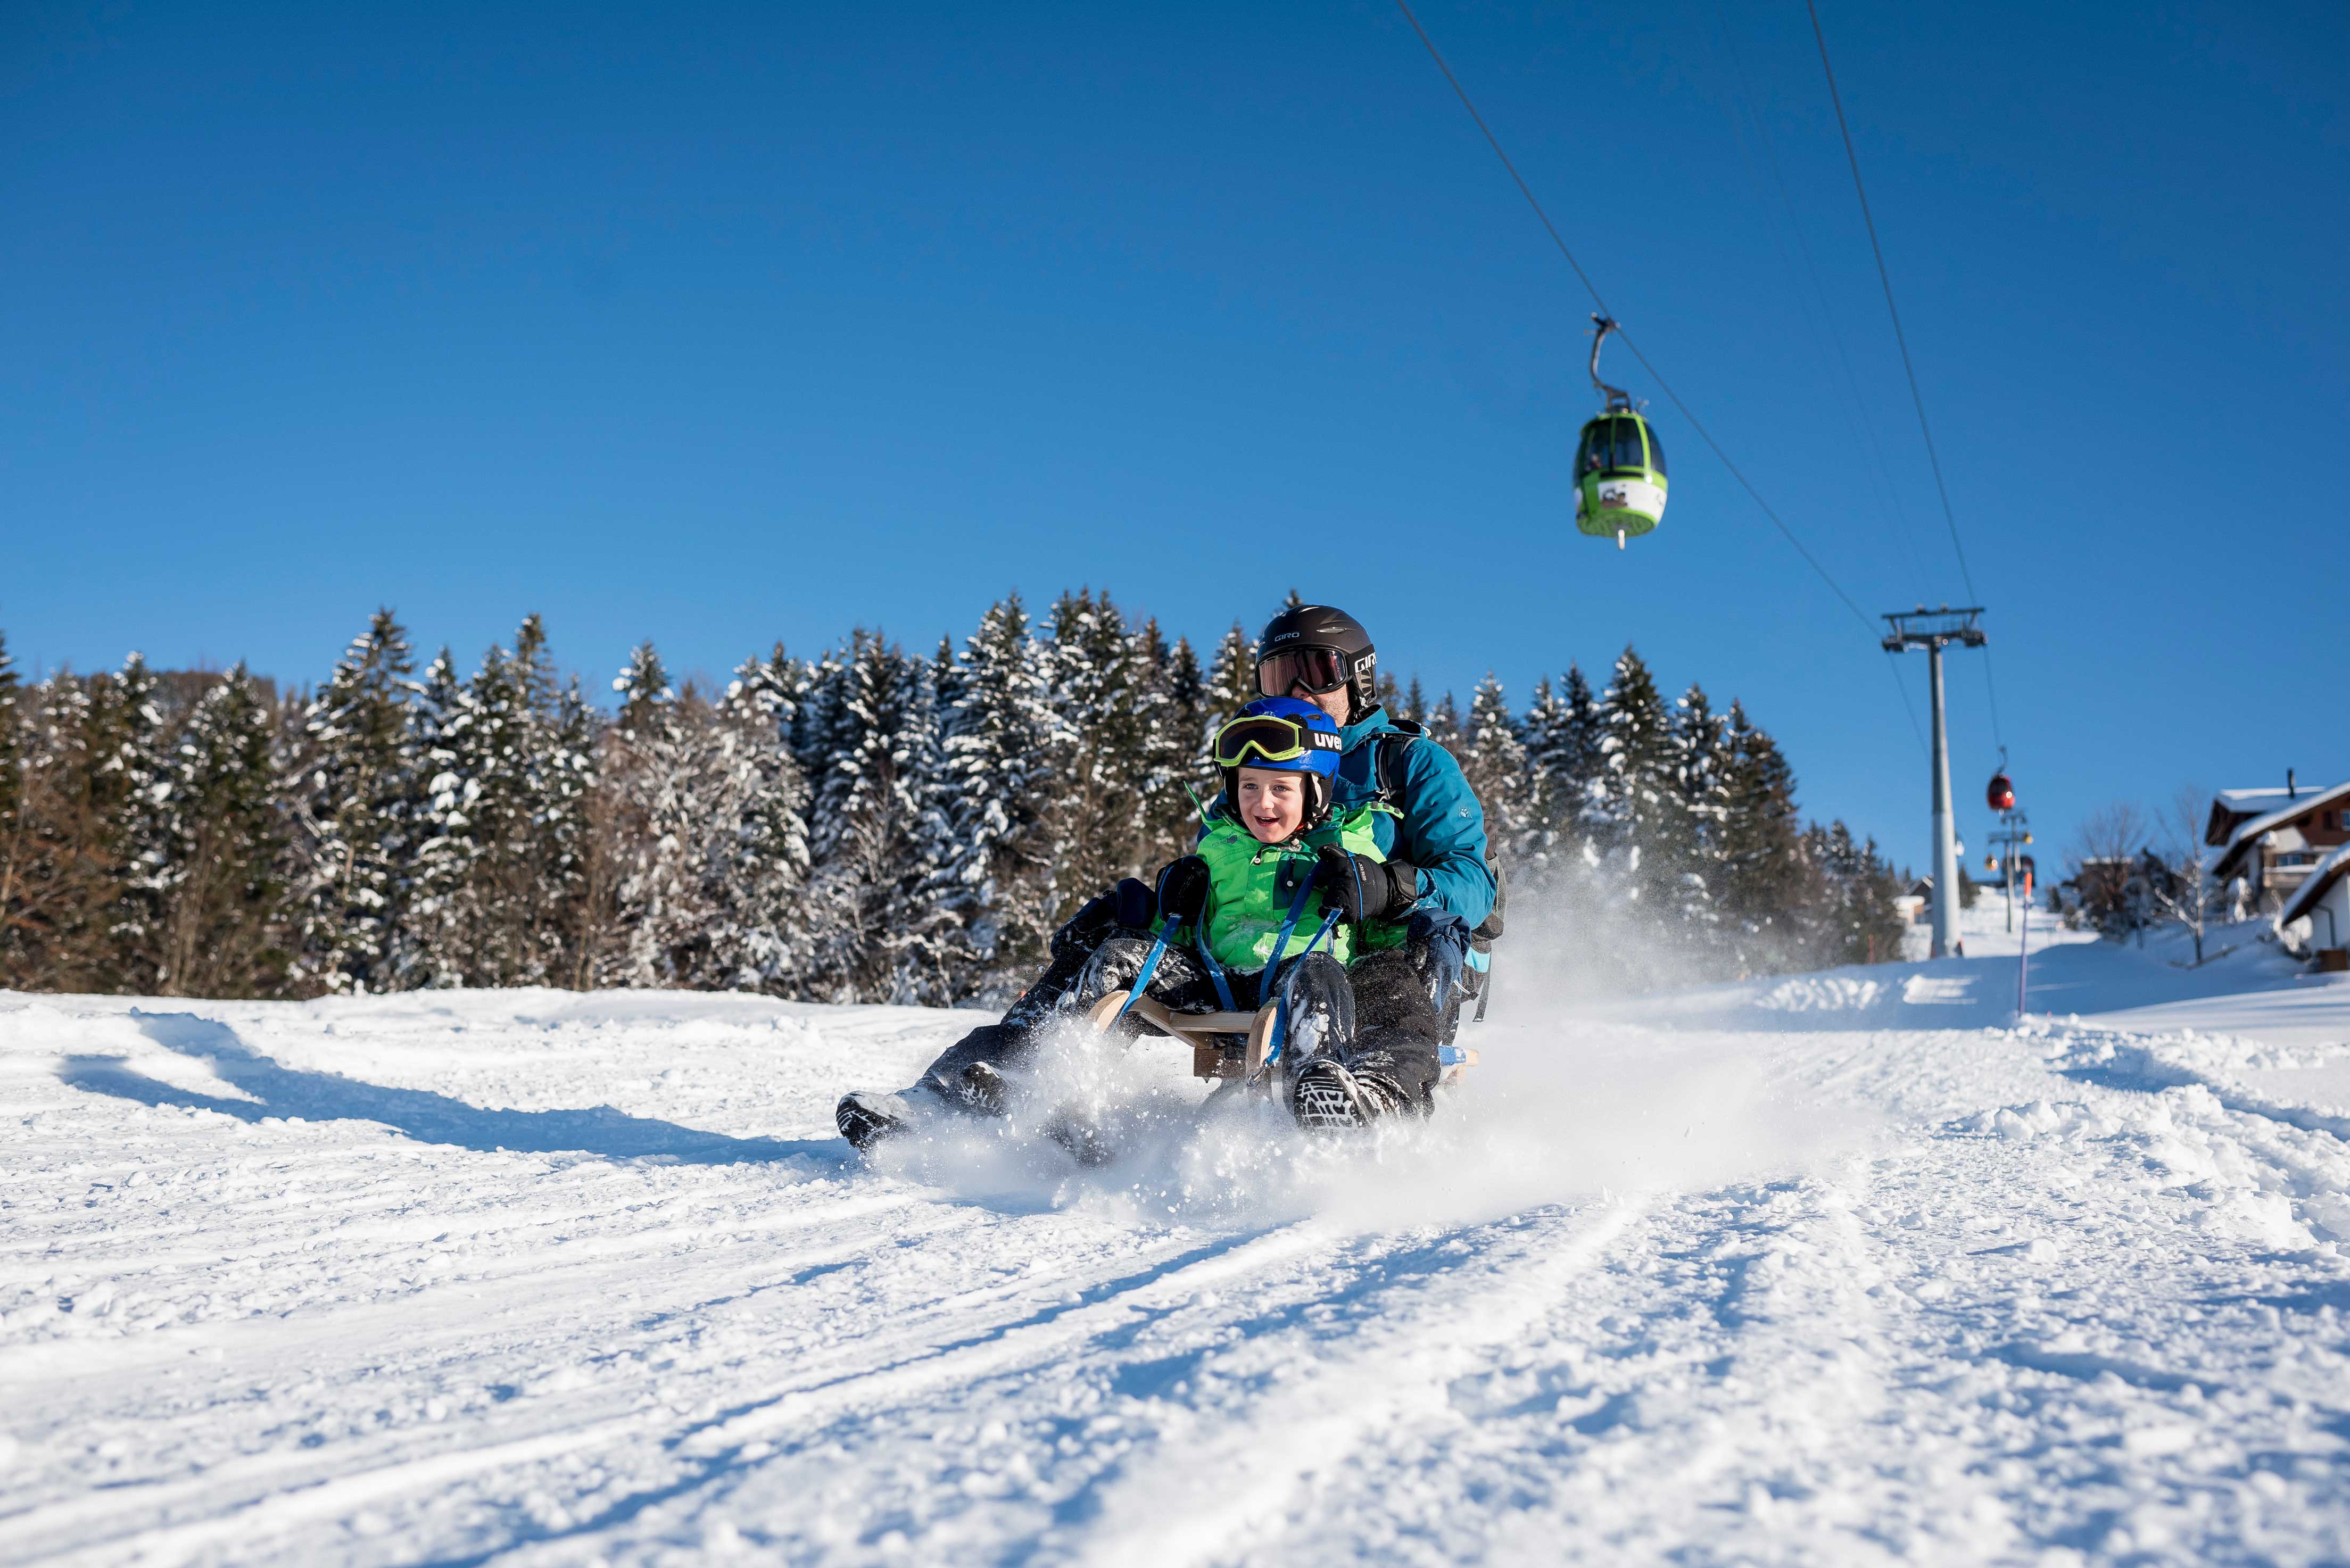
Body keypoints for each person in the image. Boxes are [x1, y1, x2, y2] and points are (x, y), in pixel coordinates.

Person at [834, 602, 1495, 1147]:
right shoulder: (1252, 757)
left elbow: (1475, 882)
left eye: (1314, 671)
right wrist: (1146, 905)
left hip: (1366, 950)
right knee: (1108, 954)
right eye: (1276, 675)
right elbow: (1223, 875)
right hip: (1242, 958)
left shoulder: (1407, 763)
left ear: (1358, 680)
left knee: (1393, 973)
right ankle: (994, 1089)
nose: (1294, 691)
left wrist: (1396, 887)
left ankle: (1366, 1099)